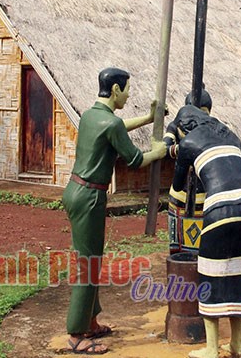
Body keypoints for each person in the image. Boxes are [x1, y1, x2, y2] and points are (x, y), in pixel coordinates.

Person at [62, 67, 167, 355]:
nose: (129, 95)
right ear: (117, 89)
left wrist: (148, 118)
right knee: (88, 265)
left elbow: (116, 126)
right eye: (127, 89)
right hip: (89, 197)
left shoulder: (90, 116)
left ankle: (90, 320)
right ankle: (76, 334)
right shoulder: (111, 123)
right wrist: (158, 152)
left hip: (76, 191)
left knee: (91, 260)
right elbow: (134, 160)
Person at [170, 105, 241, 358]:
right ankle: (236, 344)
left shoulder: (188, 142)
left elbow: (178, 185)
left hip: (222, 210)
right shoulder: (232, 137)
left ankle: (212, 349)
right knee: (239, 275)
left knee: (209, 276)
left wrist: (176, 152)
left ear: (183, 128)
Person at [164, 89, 213, 254]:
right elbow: (165, 149)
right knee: (177, 244)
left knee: (202, 244)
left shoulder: (213, 127)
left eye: (204, 113)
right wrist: (184, 148)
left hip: (204, 194)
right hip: (179, 193)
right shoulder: (175, 127)